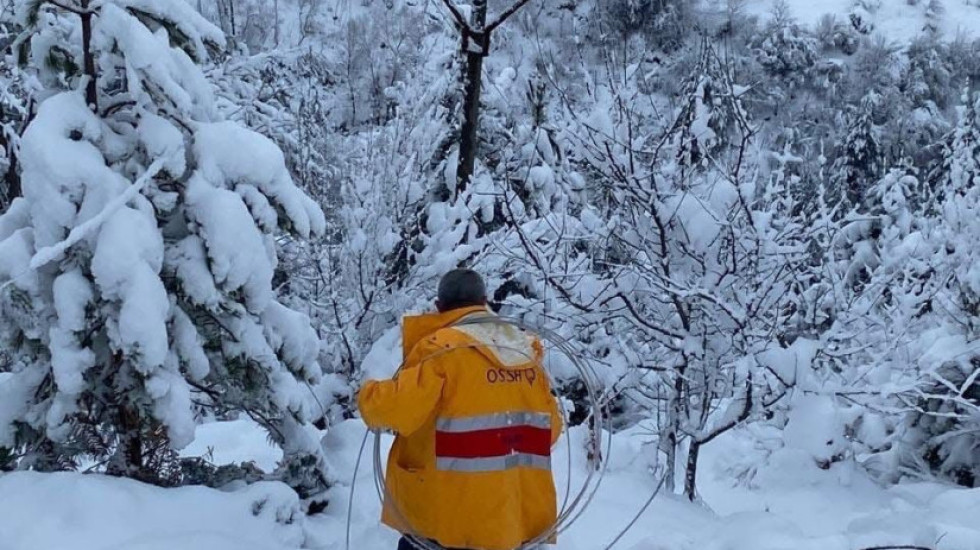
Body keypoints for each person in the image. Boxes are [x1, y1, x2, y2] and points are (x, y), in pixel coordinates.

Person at [358, 269, 562, 550]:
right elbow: (550, 432)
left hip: (448, 523)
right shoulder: (525, 354)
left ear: (440, 307)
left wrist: (367, 393)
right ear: (484, 300)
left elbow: (393, 412)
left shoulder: (440, 349)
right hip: (512, 521)